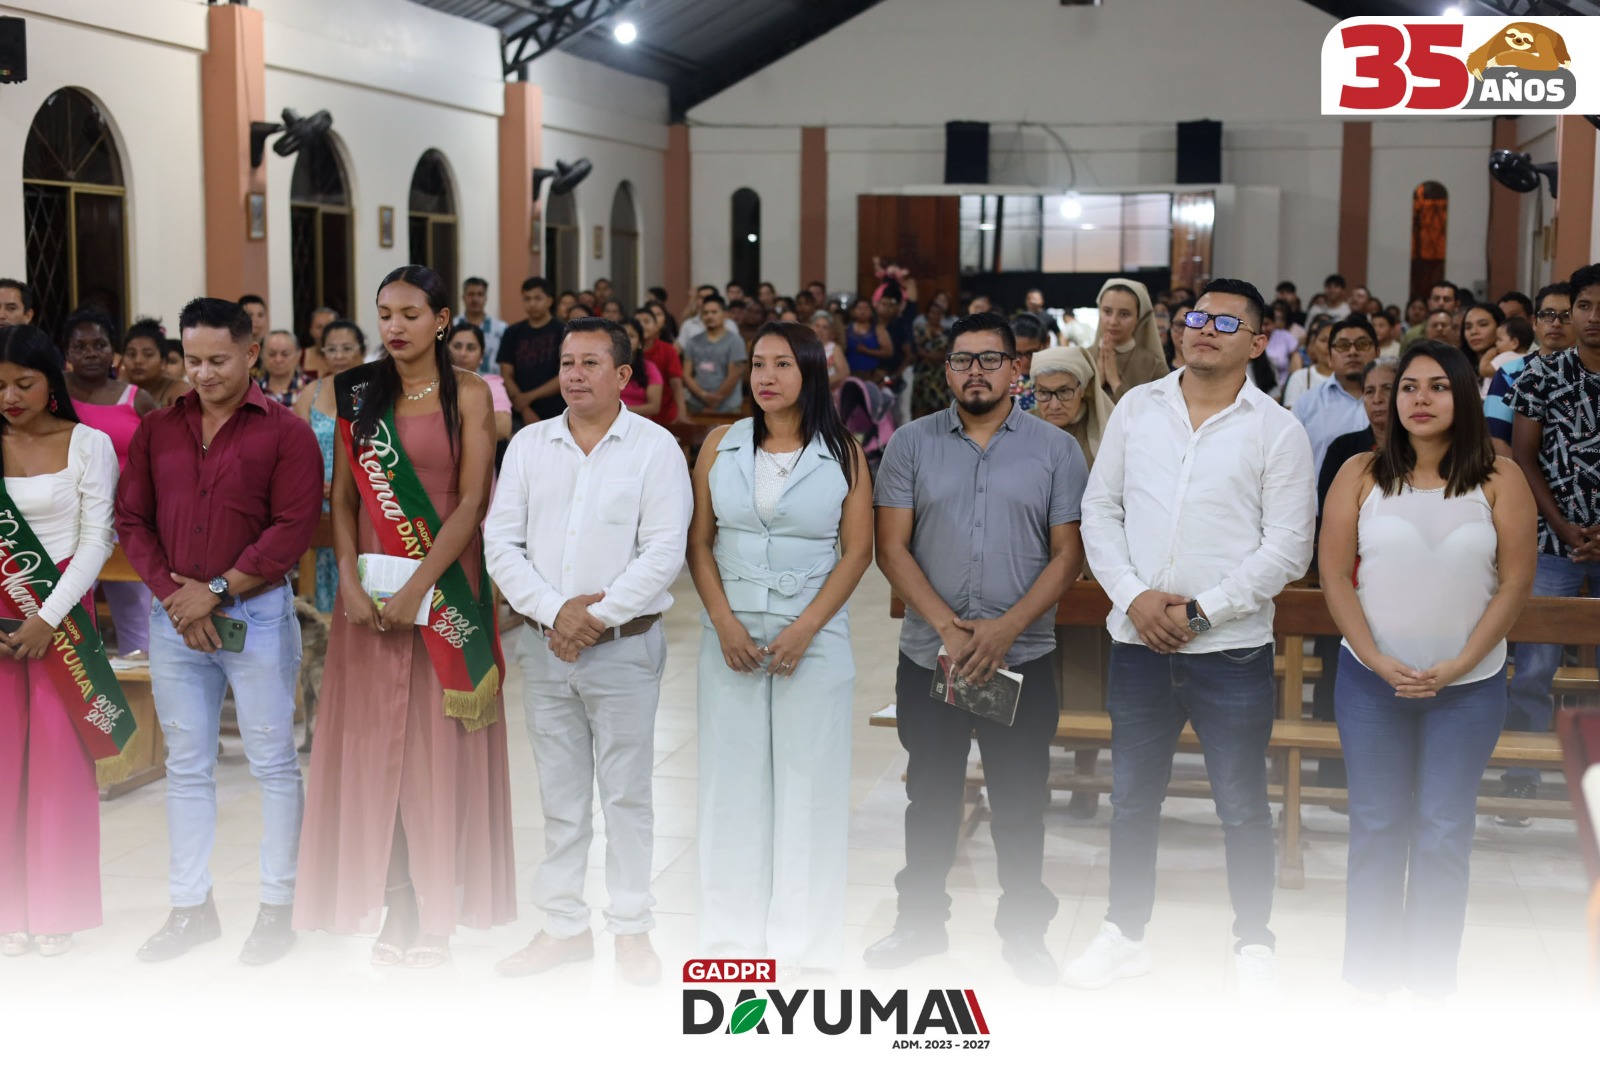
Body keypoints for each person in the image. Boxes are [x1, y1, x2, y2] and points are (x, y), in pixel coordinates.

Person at [1070, 279, 1315, 998]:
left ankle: (1253, 942)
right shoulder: (1137, 409)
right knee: (1131, 800)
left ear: (1258, 340)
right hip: (1136, 643)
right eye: (1196, 317)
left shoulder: (1277, 430)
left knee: (1241, 804)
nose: (1204, 329)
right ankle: (1124, 934)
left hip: (1229, 653)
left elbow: (1288, 548)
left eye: (1226, 322)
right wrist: (1135, 597)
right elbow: (1100, 510)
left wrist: (1200, 614)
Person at [294, 265, 515, 968]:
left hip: (443, 595)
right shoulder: (357, 391)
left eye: (410, 314)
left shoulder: (470, 393)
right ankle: (397, 905)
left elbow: (472, 502)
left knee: (434, 757)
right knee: (376, 755)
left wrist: (419, 586)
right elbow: (343, 499)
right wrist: (349, 586)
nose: (394, 326)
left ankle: (435, 912)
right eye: (385, 313)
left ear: (442, 320)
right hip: (369, 601)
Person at [867, 311, 1088, 986]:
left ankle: (1024, 932)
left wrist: (1005, 628)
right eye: (962, 360)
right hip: (931, 656)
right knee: (930, 794)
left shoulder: (1056, 451)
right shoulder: (911, 444)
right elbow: (891, 548)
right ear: (947, 370)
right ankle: (919, 923)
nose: (975, 372)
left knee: (1019, 799)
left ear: (1016, 369)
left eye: (990, 360)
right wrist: (949, 627)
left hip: (1020, 657)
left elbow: (1067, 555)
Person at [1320, 340, 1535, 997]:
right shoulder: (1360, 472)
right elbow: (1334, 575)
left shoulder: (1500, 478)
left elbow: (1516, 583)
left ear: (1463, 396)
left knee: (1443, 831)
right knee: (1377, 826)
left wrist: (1461, 663)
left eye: (1438, 386)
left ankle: (1430, 984)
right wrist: (1376, 658)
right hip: (1371, 682)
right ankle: (1368, 981)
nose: (1419, 399)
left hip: (1467, 687)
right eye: (1408, 386)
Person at [115, 297, 323, 965]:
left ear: (251, 353)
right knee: (187, 767)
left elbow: (292, 528)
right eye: (193, 359)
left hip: (255, 617)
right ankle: (190, 909)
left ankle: (278, 908)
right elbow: (132, 519)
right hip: (176, 618)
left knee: (272, 763)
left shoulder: (286, 433)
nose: (202, 374)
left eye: (218, 360)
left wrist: (217, 590)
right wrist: (176, 596)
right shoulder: (159, 429)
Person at [485, 318, 692, 986]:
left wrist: (593, 618)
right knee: (561, 797)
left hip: (624, 650)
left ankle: (631, 929)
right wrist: (556, 614)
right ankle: (564, 926)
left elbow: (664, 551)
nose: (574, 375)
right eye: (567, 362)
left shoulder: (654, 449)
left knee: (627, 795)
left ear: (624, 376)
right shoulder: (529, 445)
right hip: (546, 647)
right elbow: (501, 543)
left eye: (590, 363)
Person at [689, 321, 872, 973]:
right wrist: (723, 621)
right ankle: (731, 943)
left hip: (812, 636)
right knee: (731, 786)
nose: (766, 376)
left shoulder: (843, 452)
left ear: (810, 372)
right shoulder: (721, 444)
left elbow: (858, 552)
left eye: (783, 364)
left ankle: (802, 949)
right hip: (731, 635)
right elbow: (699, 543)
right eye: (758, 363)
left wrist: (806, 627)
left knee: (808, 788)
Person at [0, 325, 121, 958]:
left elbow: (97, 538)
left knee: (58, 765)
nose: (9, 397)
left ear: (52, 380)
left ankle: (56, 909)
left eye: (23, 383)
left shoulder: (88, 443)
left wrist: (46, 617)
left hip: (62, 620)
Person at [1503, 263, 1600, 818]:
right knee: (1536, 667)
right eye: (1584, 306)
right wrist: (1562, 525)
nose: (1593, 317)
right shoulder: (1541, 375)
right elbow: (1523, 457)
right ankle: (1523, 773)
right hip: (1551, 540)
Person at [63, 309, 156, 659]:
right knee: (69, 613)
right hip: (69, 521)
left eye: (99, 344)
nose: (90, 353)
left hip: (126, 522)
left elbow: (165, 454)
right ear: (67, 352)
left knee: (135, 614)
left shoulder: (137, 398)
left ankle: (141, 688)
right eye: (80, 346)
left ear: (113, 351)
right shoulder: (52, 394)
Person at [292, 319, 368, 614]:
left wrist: (348, 487)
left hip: (363, 499)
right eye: (332, 349)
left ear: (361, 351)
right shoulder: (311, 391)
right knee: (319, 583)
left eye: (347, 348)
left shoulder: (375, 391)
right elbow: (296, 449)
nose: (339, 356)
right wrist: (313, 485)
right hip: (318, 500)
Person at [1484, 283, 1575, 457]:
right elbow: (1497, 440)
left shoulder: (1589, 373)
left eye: (1567, 316)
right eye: (1547, 315)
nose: (1556, 323)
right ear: (1534, 322)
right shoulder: (1510, 373)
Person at [1294, 316, 1377, 477]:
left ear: (1377, 352)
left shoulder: (1396, 402)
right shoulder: (1307, 404)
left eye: (1362, 344)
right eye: (1343, 346)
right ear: (1330, 358)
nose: (1352, 352)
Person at [498, 276, 565, 430]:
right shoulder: (512, 333)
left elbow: (565, 373)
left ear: (549, 301)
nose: (532, 304)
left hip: (556, 411)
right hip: (519, 413)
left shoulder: (563, 331)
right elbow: (506, 374)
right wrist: (525, 407)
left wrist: (529, 397)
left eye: (537, 298)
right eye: (527, 299)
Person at [1030, 345, 1113, 467]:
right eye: (1044, 392)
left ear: (1083, 389)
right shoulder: (1022, 428)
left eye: (1064, 392)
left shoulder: (1106, 430)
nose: (1054, 406)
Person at [1092, 278, 1167, 402]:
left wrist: (1115, 382)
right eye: (1107, 312)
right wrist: (1098, 381)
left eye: (1124, 314)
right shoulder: (1082, 358)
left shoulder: (1154, 366)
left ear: (1139, 318)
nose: (1113, 321)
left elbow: (1156, 411)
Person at [446, 322, 512, 442]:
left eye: (471, 348)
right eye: (457, 346)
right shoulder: (432, 384)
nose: (463, 354)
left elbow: (504, 427)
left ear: (481, 356)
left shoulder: (490, 385)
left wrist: (454, 436)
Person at [682, 294, 747, 416]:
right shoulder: (692, 342)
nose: (709, 316)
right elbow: (687, 374)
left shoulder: (736, 341)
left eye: (714, 312)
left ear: (725, 314)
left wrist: (714, 401)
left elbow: (734, 375)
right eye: (705, 313)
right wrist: (703, 395)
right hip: (696, 406)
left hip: (728, 408)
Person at [634, 306, 687, 428]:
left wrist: (682, 412)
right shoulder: (628, 352)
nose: (642, 325)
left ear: (656, 327)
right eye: (638, 322)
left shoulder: (668, 350)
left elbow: (676, 384)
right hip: (637, 415)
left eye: (646, 321)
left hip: (666, 414)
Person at [123, 318, 191, 408]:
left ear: (163, 362)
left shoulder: (178, 389)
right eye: (131, 354)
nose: (138, 361)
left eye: (148, 354)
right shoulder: (117, 389)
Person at [909, 301, 953, 419]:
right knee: (920, 410)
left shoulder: (947, 332)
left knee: (941, 410)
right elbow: (916, 350)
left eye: (939, 313)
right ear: (927, 314)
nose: (935, 315)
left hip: (940, 377)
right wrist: (933, 356)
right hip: (923, 375)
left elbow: (949, 352)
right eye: (932, 312)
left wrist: (934, 356)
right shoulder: (919, 331)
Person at [455, 276, 507, 373]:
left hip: (492, 381)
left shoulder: (501, 329)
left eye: (480, 294)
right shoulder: (452, 326)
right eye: (471, 294)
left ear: (486, 298)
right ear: (463, 297)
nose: (475, 299)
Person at [619, 318, 665, 420]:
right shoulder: (606, 367)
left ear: (640, 342)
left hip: (639, 422)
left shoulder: (649, 368)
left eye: (631, 336)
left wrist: (621, 411)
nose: (626, 340)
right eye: (622, 336)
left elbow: (654, 407)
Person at [1282, 318, 1334, 408]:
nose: (1328, 346)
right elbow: (1290, 413)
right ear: (1313, 345)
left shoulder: (1349, 379)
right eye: (1323, 340)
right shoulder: (1299, 378)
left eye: (1333, 340)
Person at [844, 296, 894, 384]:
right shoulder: (846, 330)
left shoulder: (878, 329)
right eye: (859, 308)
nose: (862, 311)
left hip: (872, 375)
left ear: (871, 312)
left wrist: (867, 351)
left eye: (866, 308)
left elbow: (888, 352)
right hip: (850, 375)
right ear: (853, 311)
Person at [1009, 312, 1048, 412]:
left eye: (1031, 353)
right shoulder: (1000, 379)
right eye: (1017, 354)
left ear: (1046, 343)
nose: (1025, 361)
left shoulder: (1057, 376)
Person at [1460, 302, 1507, 385]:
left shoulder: (1511, 363)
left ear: (1500, 327)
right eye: (1468, 327)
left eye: (1483, 324)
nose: (1473, 332)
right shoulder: (1457, 365)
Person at [259, 330, 308, 407]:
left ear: (298, 355)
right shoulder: (252, 389)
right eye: (272, 354)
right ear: (261, 355)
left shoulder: (311, 388)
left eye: (285, 354)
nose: (278, 360)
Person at [811, 309, 850, 395]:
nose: (820, 330)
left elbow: (843, 373)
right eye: (817, 326)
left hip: (829, 393)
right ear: (811, 327)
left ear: (830, 331)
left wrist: (821, 384)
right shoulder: (805, 347)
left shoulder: (834, 348)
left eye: (824, 327)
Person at [303, 306, 340, 378]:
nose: (324, 331)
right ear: (311, 331)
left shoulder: (346, 357)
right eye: (319, 327)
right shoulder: (299, 357)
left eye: (329, 326)